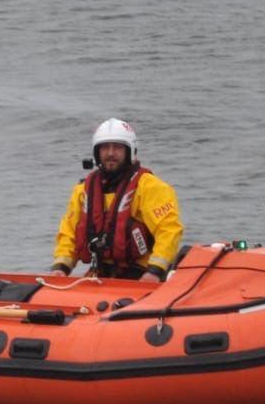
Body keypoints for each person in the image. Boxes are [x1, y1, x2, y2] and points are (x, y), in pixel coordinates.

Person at [49, 118, 183, 283]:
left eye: (117, 147)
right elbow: (68, 233)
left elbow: (168, 231)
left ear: (130, 151)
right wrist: (61, 268)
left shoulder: (150, 187)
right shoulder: (83, 191)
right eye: (105, 147)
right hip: (99, 276)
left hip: (141, 276)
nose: (110, 153)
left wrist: (154, 272)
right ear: (96, 153)